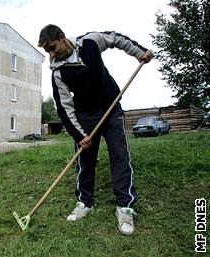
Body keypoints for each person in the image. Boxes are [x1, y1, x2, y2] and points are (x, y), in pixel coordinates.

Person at [38, 25, 153, 236]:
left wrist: (139, 53)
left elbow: (116, 38)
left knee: (120, 155)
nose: (51, 54)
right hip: (86, 117)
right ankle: (85, 203)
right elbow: (65, 108)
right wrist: (79, 135)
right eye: (48, 52)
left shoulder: (90, 42)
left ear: (62, 38)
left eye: (53, 48)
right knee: (85, 160)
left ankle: (125, 206)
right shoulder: (58, 73)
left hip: (111, 107)